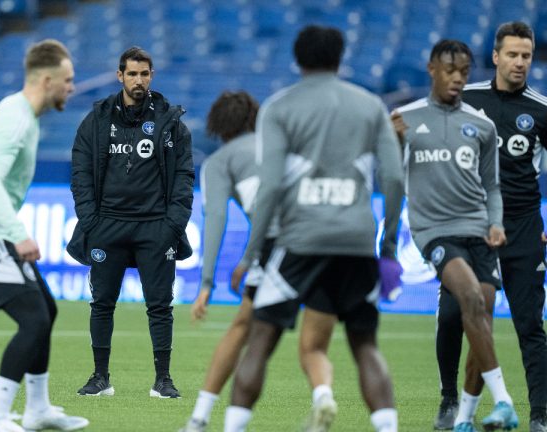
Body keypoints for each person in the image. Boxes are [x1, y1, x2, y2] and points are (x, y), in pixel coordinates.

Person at [223, 25, 404, 432]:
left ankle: (232, 427)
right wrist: (387, 249)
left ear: (297, 59)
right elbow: (393, 179)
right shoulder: (371, 105)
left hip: (300, 241)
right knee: (364, 345)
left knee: (262, 340)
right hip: (357, 241)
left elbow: (269, 188)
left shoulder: (278, 107)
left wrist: (251, 256)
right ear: (340, 59)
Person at [393, 39, 519, 432]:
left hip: (478, 230)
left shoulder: (481, 125)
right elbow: (390, 178)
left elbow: (492, 186)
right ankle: (494, 401)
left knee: (473, 310)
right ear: (432, 69)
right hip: (434, 231)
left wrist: (495, 223)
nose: (458, 79)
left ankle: (464, 416)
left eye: (464, 72)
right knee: (465, 301)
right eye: (450, 71)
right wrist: (394, 143)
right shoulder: (405, 119)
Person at [0, 39, 88, 432]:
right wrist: (18, 233)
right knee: (33, 320)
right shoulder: (16, 120)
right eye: (68, 80)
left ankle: (37, 410)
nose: (72, 87)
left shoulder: (20, 114)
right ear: (48, 79)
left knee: (45, 312)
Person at [431, 22, 547, 432]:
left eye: (527, 56)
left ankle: (540, 414)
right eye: (512, 55)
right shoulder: (467, 99)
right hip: (468, 228)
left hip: (522, 230)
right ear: (496, 57)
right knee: (450, 317)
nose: (520, 62)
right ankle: (449, 399)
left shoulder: (542, 110)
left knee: (530, 324)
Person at [67, 46, 194, 399]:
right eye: (132, 74)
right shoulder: (97, 119)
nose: (139, 80)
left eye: (145, 74)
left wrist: (173, 224)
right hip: (107, 225)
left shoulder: (170, 121)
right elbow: (80, 171)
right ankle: (100, 377)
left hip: (156, 226)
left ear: (151, 76)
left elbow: (185, 175)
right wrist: (90, 221)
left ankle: (163, 380)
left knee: (160, 306)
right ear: (120, 75)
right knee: (102, 304)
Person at [179, 91, 276, 432]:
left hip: (278, 247)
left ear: (218, 124)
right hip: (324, 234)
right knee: (325, 338)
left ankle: (200, 419)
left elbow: (216, 220)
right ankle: (325, 396)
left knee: (243, 330)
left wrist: (206, 284)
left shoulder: (220, 162)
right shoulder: (277, 144)